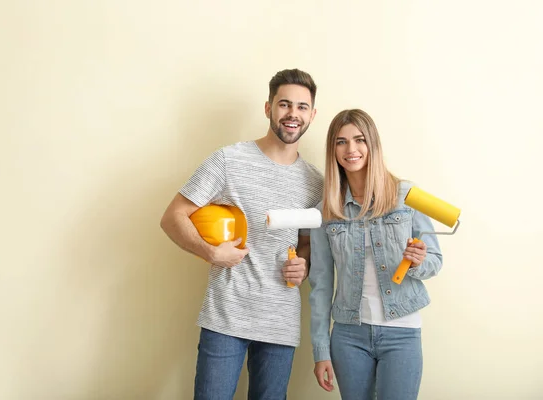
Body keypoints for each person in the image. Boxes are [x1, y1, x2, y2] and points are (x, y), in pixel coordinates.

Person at [160, 68, 323, 399]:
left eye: (302, 107)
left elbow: (305, 243)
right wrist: (210, 253)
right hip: (226, 316)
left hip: (280, 321)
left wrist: (302, 265)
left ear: (312, 115)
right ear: (268, 108)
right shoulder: (228, 160)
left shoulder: (315, 183)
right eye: (285, 104)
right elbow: (173, 216)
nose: (293, 114)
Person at [308, 109, 443, 400]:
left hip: (402, 333)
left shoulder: (406, 195)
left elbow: (435, 260)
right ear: (333, 149)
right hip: (348, 336)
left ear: (373, 145)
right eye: (341, 142)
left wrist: (417, 263)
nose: (351, 149)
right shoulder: (325, 211)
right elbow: (320, 285)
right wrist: (321, 350)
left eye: (359, 140)